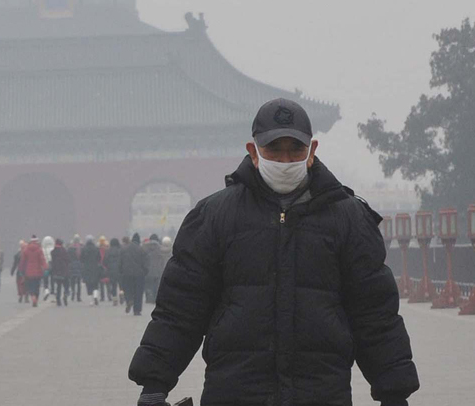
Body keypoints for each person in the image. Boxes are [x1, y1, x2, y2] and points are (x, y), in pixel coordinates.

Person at [128, 98, 420, 406]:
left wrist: (394, 392)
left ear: (312, 152)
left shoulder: (348, 219)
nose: (284, 160)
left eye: (295, 150)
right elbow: (181, 310)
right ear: (253, 151)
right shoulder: (214, 217)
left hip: (320, 393)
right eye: (273, 150)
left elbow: (375, 314)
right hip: (235, 392)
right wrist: (154, 383)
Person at [120, 233, 148, 317]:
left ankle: (129, 300)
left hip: (126, 273)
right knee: (138, 292)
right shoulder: (142, 250)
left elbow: (120, 262)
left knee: (127, 289)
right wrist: (145, 272)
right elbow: (146, 263)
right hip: (139, 274)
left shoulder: (124, 249)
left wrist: (121, 271)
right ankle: (137, 310)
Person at [18, 235, 47, 307]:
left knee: (30, 286)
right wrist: (45, 267)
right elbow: (42, 259)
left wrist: (21, 269)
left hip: (29, 271)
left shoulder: (26, 250)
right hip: (38, 271)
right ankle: (36, 299)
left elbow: (22, 261)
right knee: (37, 286)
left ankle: (33, 297)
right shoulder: (39, 250)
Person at [80, 235, 102, 306]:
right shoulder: (96, 248)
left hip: (86, 268)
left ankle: (91, 301)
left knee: (88, 285)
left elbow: (81, 259)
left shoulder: (84, 249)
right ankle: (95, 296)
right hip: (95, 267)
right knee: (95, 284)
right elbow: (99, 258)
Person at [142, 234, 165, 304]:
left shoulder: (145, 248)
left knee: (148, 285)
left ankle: (148, 298)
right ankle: (155, 298)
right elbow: (162, 261)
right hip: (158, 271)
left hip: (147, 271)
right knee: (156, 285)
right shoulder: (160, 249)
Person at [49, 238, 70, 307]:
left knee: (58, 286)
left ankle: (58, 300)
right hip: (64, 271)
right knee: (66, 285)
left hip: (56, 271)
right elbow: (67, 260)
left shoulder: (53, 252)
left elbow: (52, 261)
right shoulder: (64, 251)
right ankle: (65, 295)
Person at [104, 238, 123, 306]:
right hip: (120, 270)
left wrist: (108, 266)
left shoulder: (108, 251)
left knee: (113, 285)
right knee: (121, 284)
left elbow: (105, 261)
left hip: (111, 270)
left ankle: (115, 299)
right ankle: (121, 293)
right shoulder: (121, 250)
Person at [67, 235, 83, 303]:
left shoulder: (70, 248)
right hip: (79, 265)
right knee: (79, 282)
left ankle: (73, 295)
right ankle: (78, 296)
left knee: (72, 281)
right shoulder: (81, 248)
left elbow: (67, 257)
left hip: (71, 266)